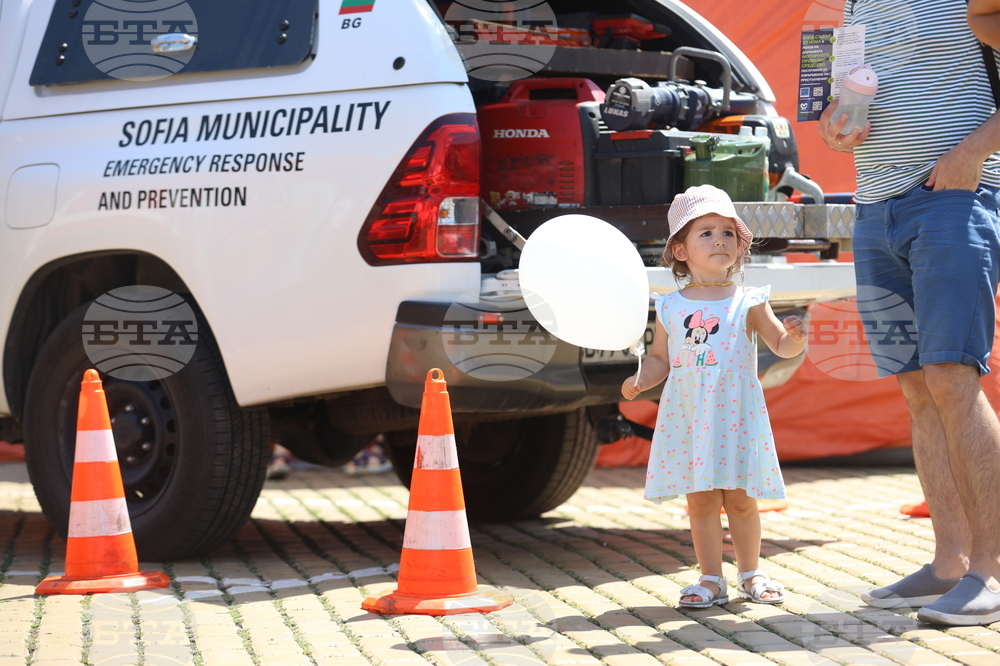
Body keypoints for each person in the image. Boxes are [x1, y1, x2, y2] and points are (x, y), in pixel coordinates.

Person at [818, 0, 1000, 626]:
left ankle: (991, 572)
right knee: (918, 386)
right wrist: (836, 124)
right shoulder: (852, 5)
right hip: (873, 207)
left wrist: (971, 154)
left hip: (955, 200)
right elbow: (841, 98)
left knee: (952, 377)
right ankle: (949, 564)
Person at [621, 185, 806, 608]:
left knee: (740, 499)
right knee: (701, 500)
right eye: (706, 232)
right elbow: (660, 359)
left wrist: (795, 339)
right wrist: (640, 379)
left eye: (728, 233)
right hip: (690, 416)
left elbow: (781, 344)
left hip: (735, 416)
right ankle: (710, 578)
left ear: (739, 247)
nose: (720, 240)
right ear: (680, 250)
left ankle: (751, 572)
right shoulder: (670, 305)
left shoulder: (748, 300)